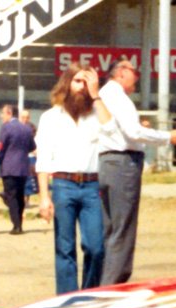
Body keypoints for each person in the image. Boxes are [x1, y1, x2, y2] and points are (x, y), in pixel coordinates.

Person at [97, 57, 176, 284]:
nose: (136, 76)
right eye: (133, 71)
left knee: (111, 229)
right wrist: (167, 137)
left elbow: (122, 130)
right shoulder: (118, 97)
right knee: (123, 231)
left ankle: (105, 282)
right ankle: (112, 287)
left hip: (106, 163)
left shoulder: (104, 95)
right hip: (123, 164)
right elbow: (133, 133)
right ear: (121, 73)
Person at [35, 65, 105, 295]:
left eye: (86, 82)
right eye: (77, 81)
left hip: (92, 186)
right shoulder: (50, 117)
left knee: (96, 247)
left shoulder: (97, 112)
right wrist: (44, 197)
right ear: (66, 83)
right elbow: (43, 158)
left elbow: (113, 129)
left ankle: (88, 297)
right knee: (64, 248)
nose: (81, 88)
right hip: (63, 185)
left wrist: (96, 96)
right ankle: (67, 301)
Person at [0, 104, 35, 234]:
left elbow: (0, 148)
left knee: (11, 196)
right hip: (23, 167)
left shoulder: (6, 128)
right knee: (20, 195)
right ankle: (20, 224)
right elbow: (32, 147)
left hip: (9, 167)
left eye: (3, 113)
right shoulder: (27, 129)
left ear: (10, 113)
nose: (1, 116)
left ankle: (16, 225)